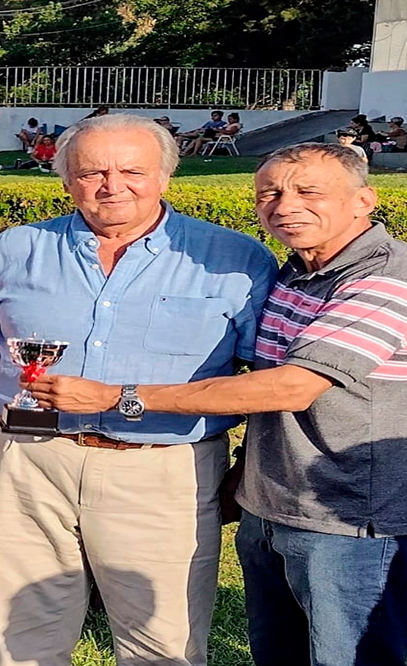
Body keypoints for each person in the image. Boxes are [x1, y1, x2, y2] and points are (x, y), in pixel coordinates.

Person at [27, 142, 407, 666]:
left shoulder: (385, 278)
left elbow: (290, 387)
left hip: (352, 520)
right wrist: (245, 472)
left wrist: (119, 397)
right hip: (272, 506)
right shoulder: (297, 272)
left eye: (308, 192)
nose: (285, 206)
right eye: (269, 193)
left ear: (363, 201)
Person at [0, 113, 278, 666]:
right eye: (91, 172)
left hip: (163, 467)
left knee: (162, 642)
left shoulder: (235, 260)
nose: (111, 185)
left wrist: (247, 470)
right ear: (66, 179)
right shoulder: (15, 249)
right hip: (26, 459)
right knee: (19, 635)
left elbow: (264, 378)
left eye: (132, 171)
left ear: (165, 176)